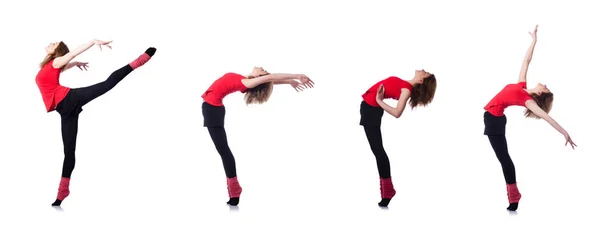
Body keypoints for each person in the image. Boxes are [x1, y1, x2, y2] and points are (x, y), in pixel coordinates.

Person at [35, 39, 156, 206]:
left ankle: (141, 59)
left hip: (70, 99)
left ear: (57, 51)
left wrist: (92, 42)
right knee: (69, 152)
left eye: (54, 43)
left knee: (107, 84)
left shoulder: (56, 61)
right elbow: (63, 65)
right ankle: (63, 192)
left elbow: (72, 52)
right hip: (65, 110)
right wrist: (75, 63)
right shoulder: (51, 64)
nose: (51, 42)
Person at [483, 25, 576, 211]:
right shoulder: (522, 86)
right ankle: (514, 194)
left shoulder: (528, 101)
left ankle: (514, 195)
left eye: (546, 88)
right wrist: (534, 41)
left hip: (494, 120)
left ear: (541, 94)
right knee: (504, 159)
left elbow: (548, 119)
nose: (545, 84)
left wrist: (565, 132)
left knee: (505, 159)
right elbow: (526, 61)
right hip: (494, 119)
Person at [201, 67, 314, 206]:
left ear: (260, 75)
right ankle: (234, 190)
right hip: (212, 109)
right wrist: (289, 81)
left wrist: (297, 75)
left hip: (212, 110)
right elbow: (269, 79)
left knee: (224, 152)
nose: (262, 67)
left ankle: (235, 190)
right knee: (224, 151)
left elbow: (270, 77)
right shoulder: (246, 80)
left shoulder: (246, 83)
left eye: (263, 70)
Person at [359, 70, 437, 207]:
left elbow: (397, 113)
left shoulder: (406, 89)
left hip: (371, 110)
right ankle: (387, 191)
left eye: (426, 73)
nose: (424, 70)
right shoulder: (405, 84)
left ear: (421, 81)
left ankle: (388, 190)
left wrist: (378, 100)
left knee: (378, 151)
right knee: (378, 151)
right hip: (370, 109)